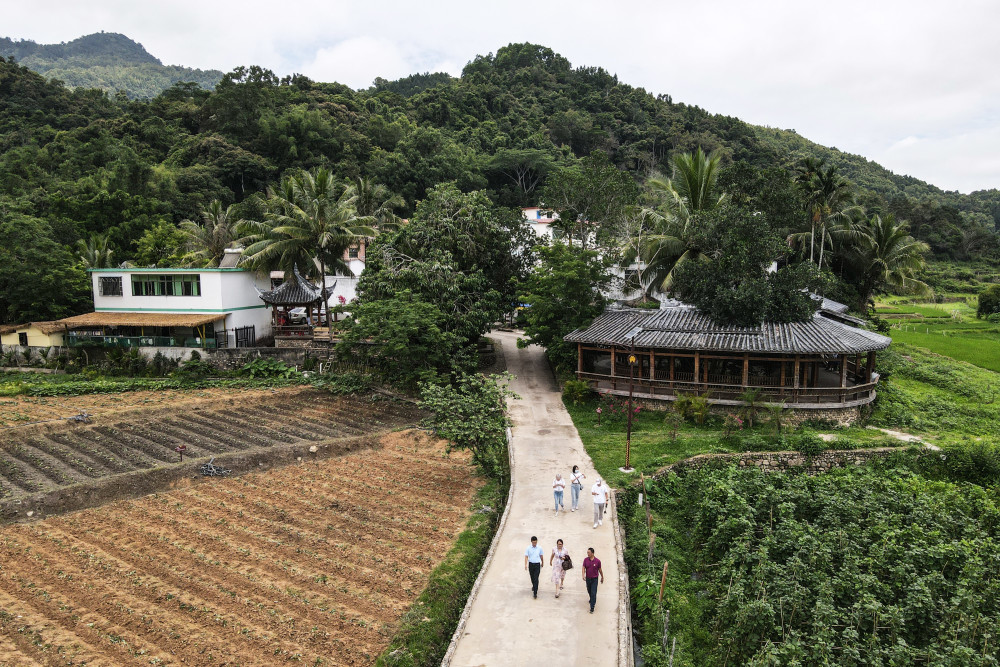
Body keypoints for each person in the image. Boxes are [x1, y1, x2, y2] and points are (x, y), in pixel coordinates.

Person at [582, 547, 604, 613]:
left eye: (589, 552)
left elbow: (600, 570)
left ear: (592, 553)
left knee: (593, 593)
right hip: (588, 579)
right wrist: (583, 575)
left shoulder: (598, 561)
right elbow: (583, 567)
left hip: (594, 579)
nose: (587, 554)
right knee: (589, 590)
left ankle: (592, 607)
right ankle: (591, 599)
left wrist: (602, 577)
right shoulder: (585, 560)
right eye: (587, 552)